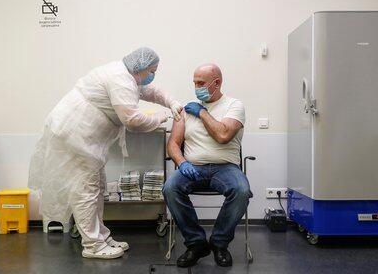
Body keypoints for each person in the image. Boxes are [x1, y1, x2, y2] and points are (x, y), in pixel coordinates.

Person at [28, 47, 183, 259]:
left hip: (83, 136)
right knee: (87, 188)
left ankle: (101, 237)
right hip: (77, 134)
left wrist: (172, 102)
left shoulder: (127, 75)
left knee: (97, 186)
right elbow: (133, 121)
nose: (152, 76)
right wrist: (160, 117)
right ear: (142, 67)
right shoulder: (120, 79)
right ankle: (93, 245)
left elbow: (149, 91)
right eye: (152, 71)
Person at [163, 63, 252, 267]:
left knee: (241, 191)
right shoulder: (186, 110)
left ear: (217, 83)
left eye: (201, 83)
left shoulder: (234, 106)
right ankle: (196, 244)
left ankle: (219, 244)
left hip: (225, 167)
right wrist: (182, 162)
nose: (196, 87)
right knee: (170, 188)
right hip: (192, 167)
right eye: (194, 83)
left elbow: (223, 135)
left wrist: (202, 113)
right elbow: (173, 144)